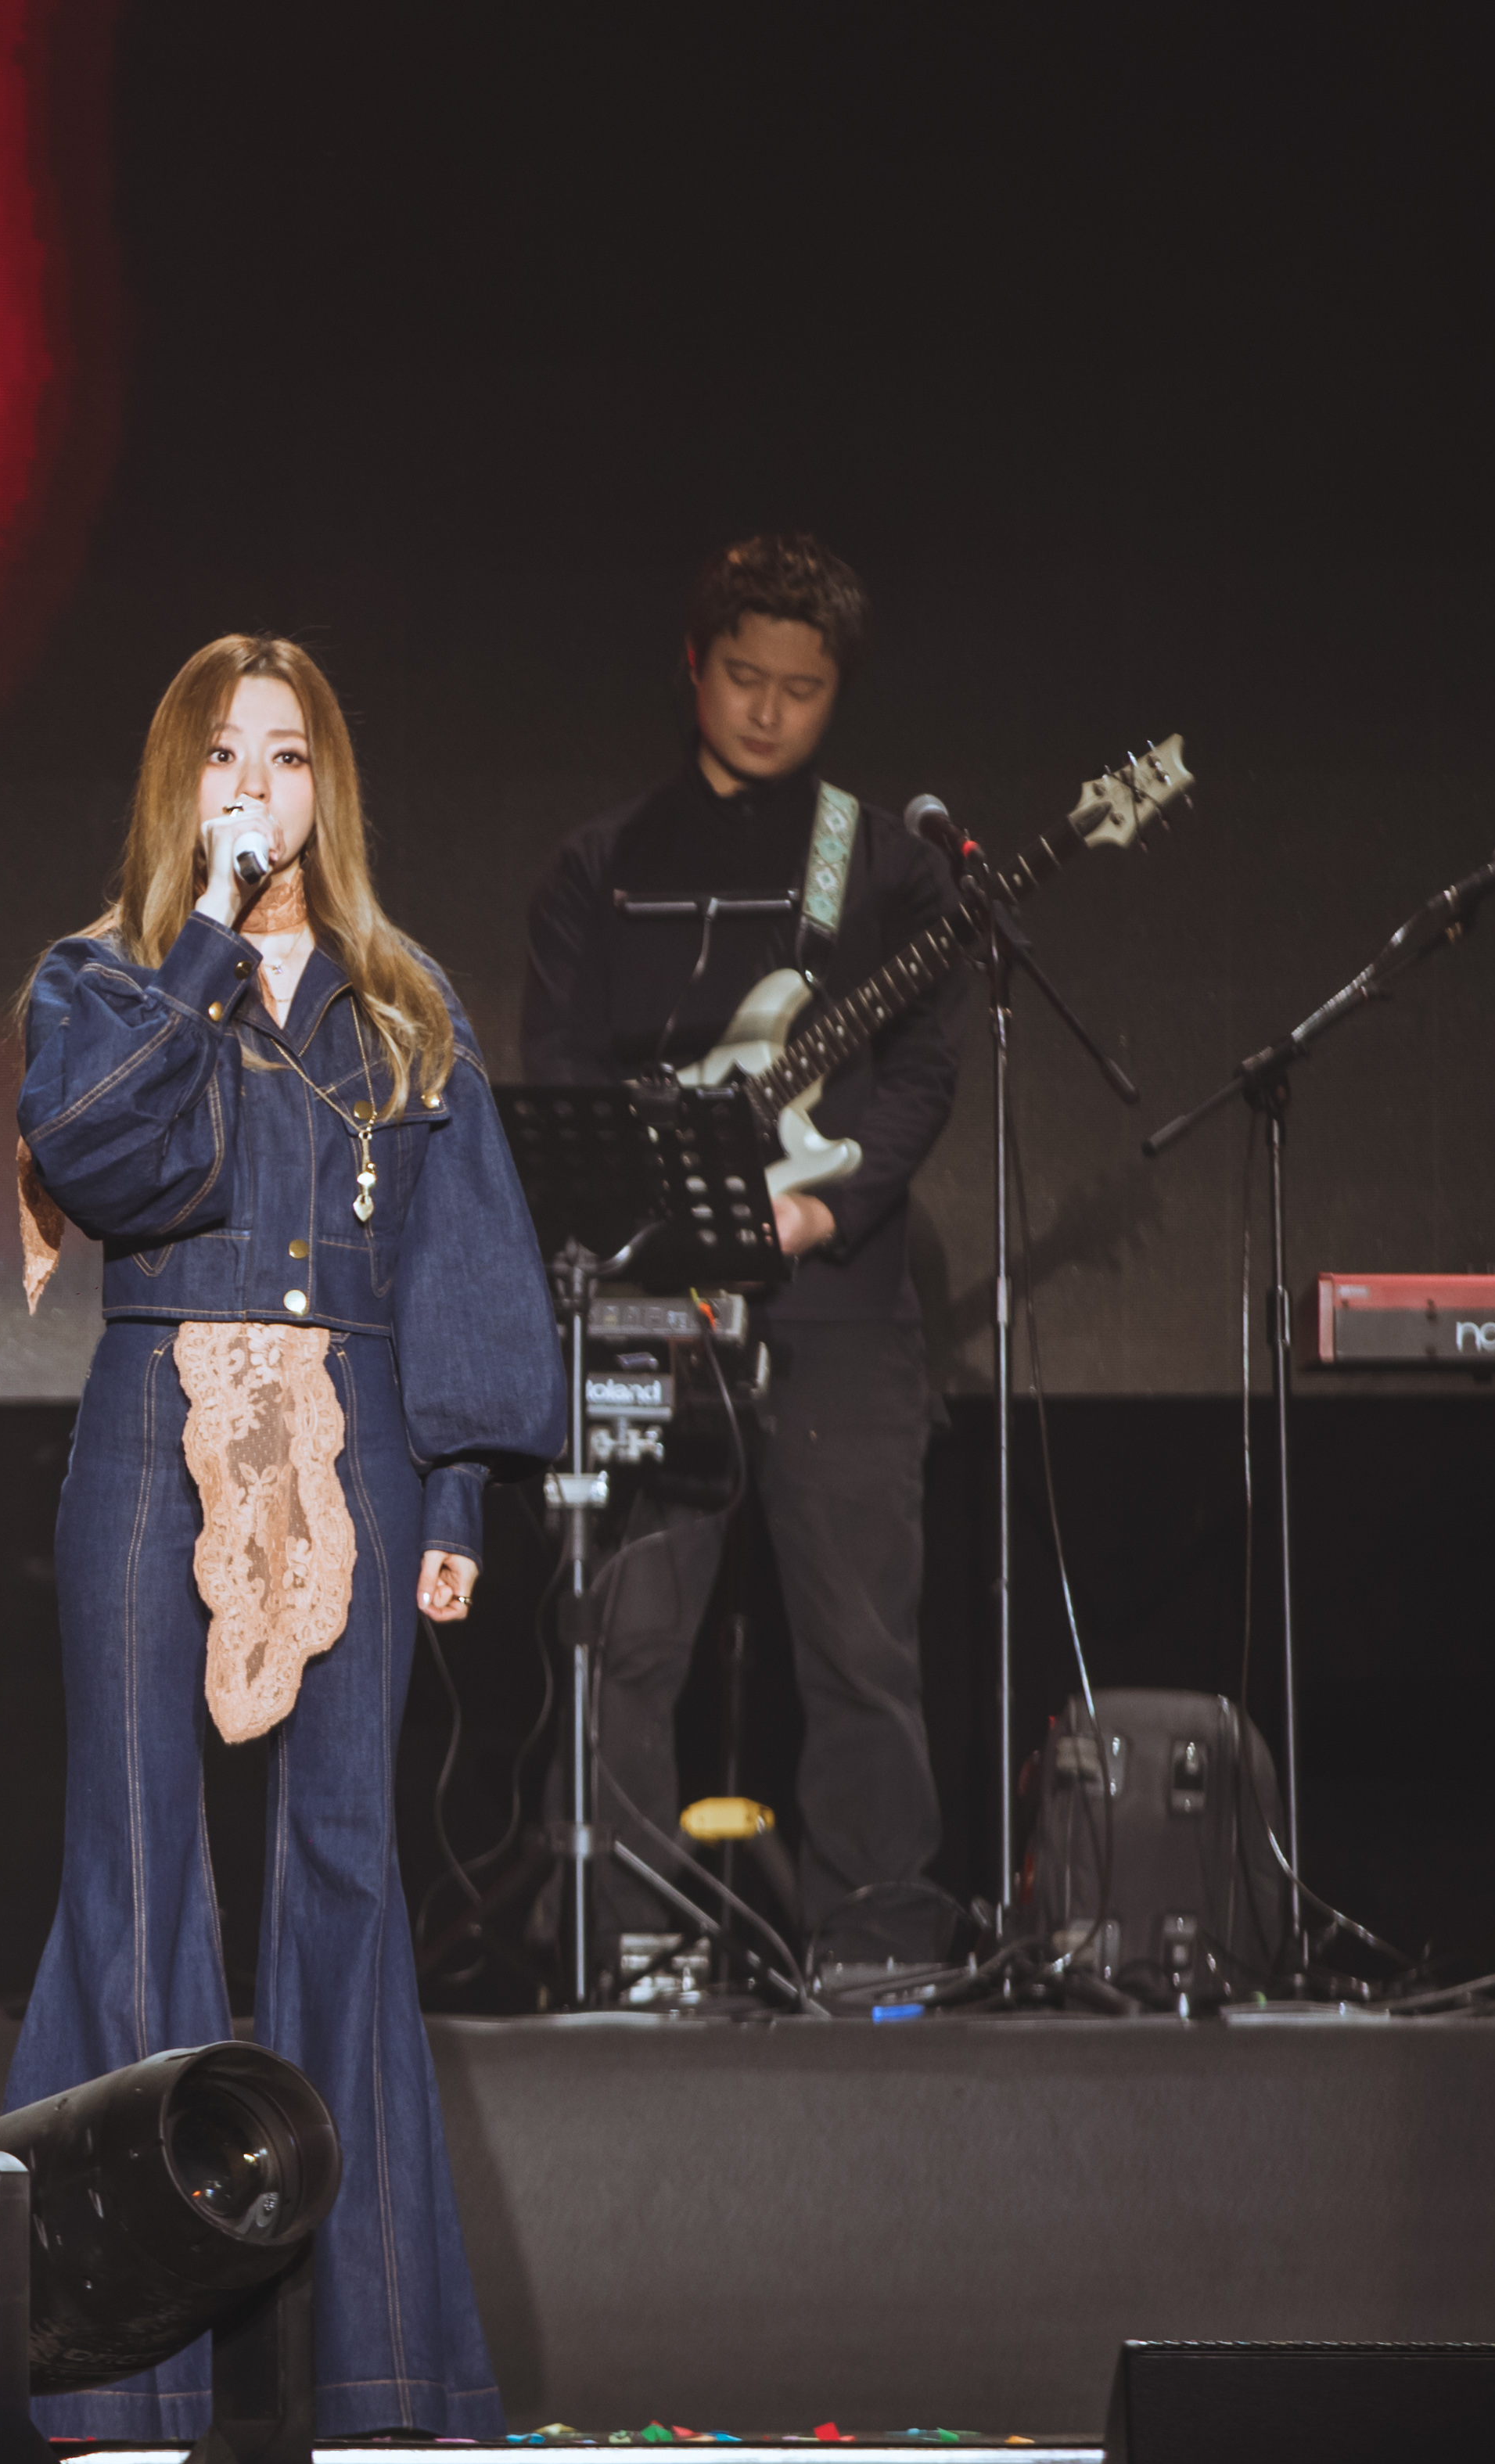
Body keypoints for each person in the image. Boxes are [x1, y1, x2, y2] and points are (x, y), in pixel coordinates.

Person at [6, 633, 565, 2437]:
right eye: (226, 755)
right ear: (181, 783)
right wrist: (203, 946)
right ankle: (117, 2383)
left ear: (331, 786)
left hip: (356, 1429)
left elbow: (460, 1246)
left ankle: (373, 2371)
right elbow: (99, 1159)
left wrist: (457, 1485)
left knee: (342, 1866)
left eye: (291, 754)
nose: (260, 784)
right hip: (151, 1418)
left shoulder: (402, 999)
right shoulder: (105, 976)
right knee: (136, 1864)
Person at [519, 534, 963, 1973]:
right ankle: (621, 1941)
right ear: (692, 668)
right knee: (628, 1634)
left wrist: (828, 1209)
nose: (768, 710)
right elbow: (561, 1069)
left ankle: (877, 1937)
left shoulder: (882, 861)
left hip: (838, 1298)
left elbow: (923, 1074)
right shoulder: (599, 867)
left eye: (802, 687)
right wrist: (666, 1216)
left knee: (860, 1642)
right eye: (742, 677)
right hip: (655, 1299)